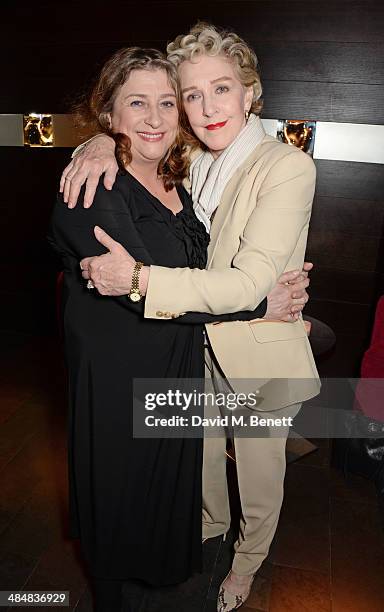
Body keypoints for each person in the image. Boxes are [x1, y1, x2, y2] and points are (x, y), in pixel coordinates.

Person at [49, 45, 308, 612]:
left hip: (185, 354)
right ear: (109, 113)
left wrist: (259, 299)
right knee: (121, 490)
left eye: (169, 102)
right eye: (138, 103)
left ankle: (216, 568)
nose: (157, 116)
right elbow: (146, 279)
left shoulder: (188, 175)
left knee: (201, 481)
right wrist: (256, 305)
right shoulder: (98, 186)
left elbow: (210, 265)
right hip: (126, 371)